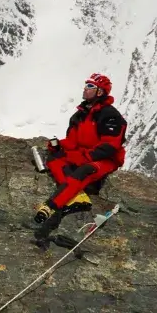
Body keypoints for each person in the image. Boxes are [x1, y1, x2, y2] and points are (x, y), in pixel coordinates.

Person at [34, 73, 127, 226]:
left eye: (90, 86)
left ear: (100, 92)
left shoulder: (110, 116)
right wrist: (59, 145)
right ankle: (78, 197)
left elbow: (110, 146)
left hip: (106, 160)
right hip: (85, 154)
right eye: (86, 85)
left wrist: (85, 157)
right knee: (54, 158)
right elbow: (72, 141)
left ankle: (50, 206)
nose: (85, 88)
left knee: (84, 170)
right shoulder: (80, 115)